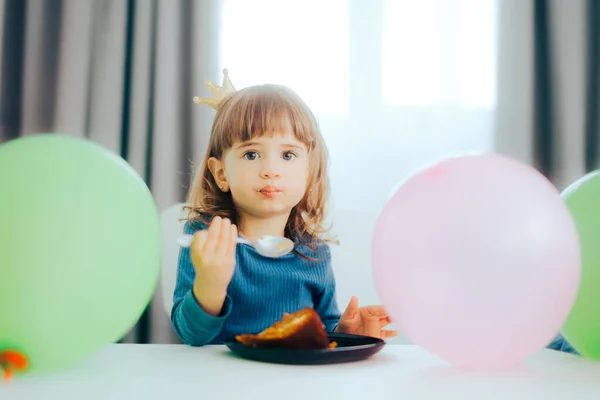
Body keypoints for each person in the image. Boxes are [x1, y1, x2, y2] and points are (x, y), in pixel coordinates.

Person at [171, 69, 397, 346]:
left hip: (294, 386)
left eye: (288, 155)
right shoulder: (206, 238)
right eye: (251, 154)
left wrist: (347, 331)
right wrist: (210, 285)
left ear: (309, 173)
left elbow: (321, 332)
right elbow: (191, 335)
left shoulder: (313, 253)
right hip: (221, 383)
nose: (271, 170)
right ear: (221, 174)